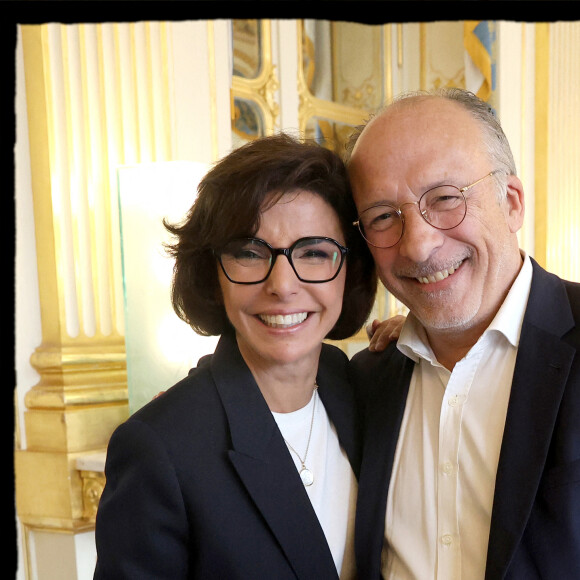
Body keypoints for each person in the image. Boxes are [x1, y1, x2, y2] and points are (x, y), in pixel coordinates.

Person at [93, 133, 379, 579]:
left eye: (315, 252)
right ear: (212, 274)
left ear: (350, 270)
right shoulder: (159, 447)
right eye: (249, 252)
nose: (283, 285)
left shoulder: (365, 390)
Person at [347, 88, 580, 579]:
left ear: (512, 203)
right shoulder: (364, 382)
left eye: (446, 198)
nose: (420, 244)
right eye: (384, 216)